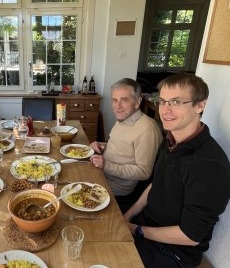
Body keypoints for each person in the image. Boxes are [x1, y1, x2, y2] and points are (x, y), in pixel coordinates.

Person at [124, 73, 230, 268]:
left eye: (176, 102)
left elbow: (190, 236)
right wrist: (127, 216)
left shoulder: (209, 165)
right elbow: (157, 184)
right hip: (147, 226)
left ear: (200, 106)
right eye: (162, 101)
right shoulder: (172, 138)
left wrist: (137, 230)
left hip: (174, 253)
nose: (165, 110)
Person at [89, 78, 163, 212]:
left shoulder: (147, 129)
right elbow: (123, 147)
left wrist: (106, 165)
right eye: (115, 100)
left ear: (137, 102)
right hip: (101, 175)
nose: (117, 106)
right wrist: (102, 145)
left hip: (115, 192)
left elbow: (144, 172)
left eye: (124, 100)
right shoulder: (124, 118)